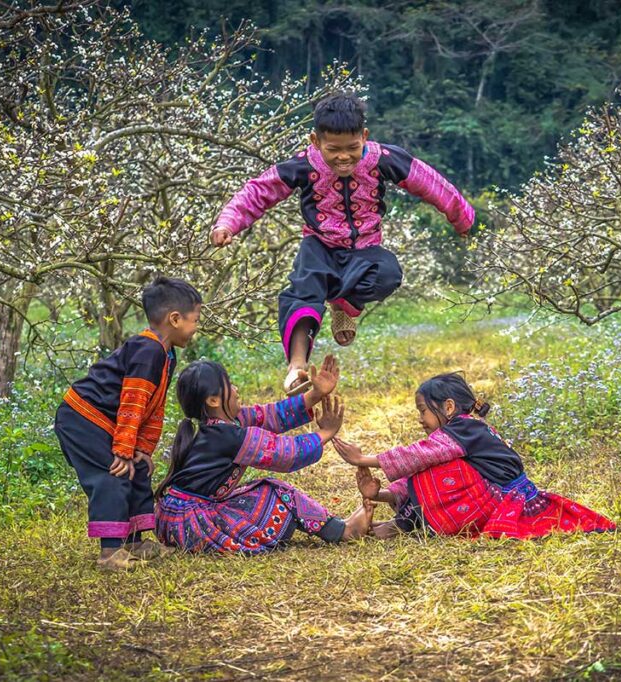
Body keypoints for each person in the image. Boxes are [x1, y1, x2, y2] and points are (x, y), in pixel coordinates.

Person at [211, 92, 475, 395]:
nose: (344, 157)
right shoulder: (302, 166)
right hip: (319, 246)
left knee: (388, 274)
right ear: (315, 141)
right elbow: (258, 192)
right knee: (304, 290)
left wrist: (462, 218)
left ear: (364, 136)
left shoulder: (384, 160)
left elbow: (429, 183)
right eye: (333, 149)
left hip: (365, 249)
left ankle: (344, 305)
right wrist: (228, 223)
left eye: (352, 147)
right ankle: (296, 366)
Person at [333, 372, 616, 539]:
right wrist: (380, 494)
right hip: (497, 495)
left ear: (448, 406)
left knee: (436, 467)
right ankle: (397, 514)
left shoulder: (465, 428)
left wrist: (363, 459)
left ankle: (403, 525)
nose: (420, 419)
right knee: (432, 463)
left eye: (423, 410)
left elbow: (419, 456)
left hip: (503, 498)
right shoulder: (467, 428)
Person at [54, 277, 202, 570]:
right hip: (82, 418)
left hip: (107, 422)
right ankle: (110, 553)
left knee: (138, 467)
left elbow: (153, 406)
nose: (197, 327)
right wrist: (122, 449)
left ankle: (135, 541)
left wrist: (142, 449)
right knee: (113, 474)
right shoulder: (147, 350)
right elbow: (133, 401)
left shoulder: (165, 353)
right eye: (194, 320)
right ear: (174, 319)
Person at [155, 355, 373, 553]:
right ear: (213, 400)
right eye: (229, 384)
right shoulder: (229, 436)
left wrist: (316, 393)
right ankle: (342, 531)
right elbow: (286, 454)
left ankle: (338, 527)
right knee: (275, 490)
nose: (236, 388)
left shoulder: (224, 425)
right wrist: (327, 432)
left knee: (260, 491)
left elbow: (271, 415)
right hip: (190, 522)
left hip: (175, 518)